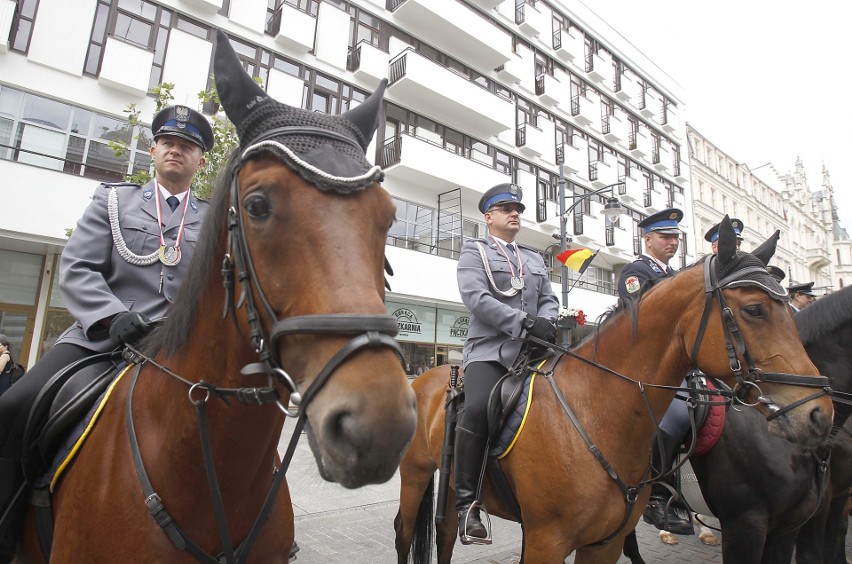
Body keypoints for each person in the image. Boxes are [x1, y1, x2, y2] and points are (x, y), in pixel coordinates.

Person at [0, 105, 214, 561]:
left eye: (189, 145)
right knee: (13, 406)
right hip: (100, 340)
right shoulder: (113, 201)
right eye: (169, 142)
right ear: (153, 150)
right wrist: (112, 316)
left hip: (178, 351)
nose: (177, 149)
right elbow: (77, 267)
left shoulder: (217, 220)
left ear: (201, 161)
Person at [454, 183, 559, 544]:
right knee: (479, 407)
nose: (515, 213)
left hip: (533, 351)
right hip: (489, 350)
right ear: (489, 217)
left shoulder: (532, 258)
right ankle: (467, 503)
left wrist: (547, 320)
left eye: (518, 208)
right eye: (506, 209)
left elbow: (548, 297)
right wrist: (524, 324)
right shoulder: (474, 251)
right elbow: (476, 298)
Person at [617, 208, 694, 535]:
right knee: (676, 417)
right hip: (647, 366)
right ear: (647, 239)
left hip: (681, 364)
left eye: (675, 237)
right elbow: (639, 320)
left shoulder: (676, 274)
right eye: (665, 237)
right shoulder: (635, 272)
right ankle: (657, 496)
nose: (672, 242)